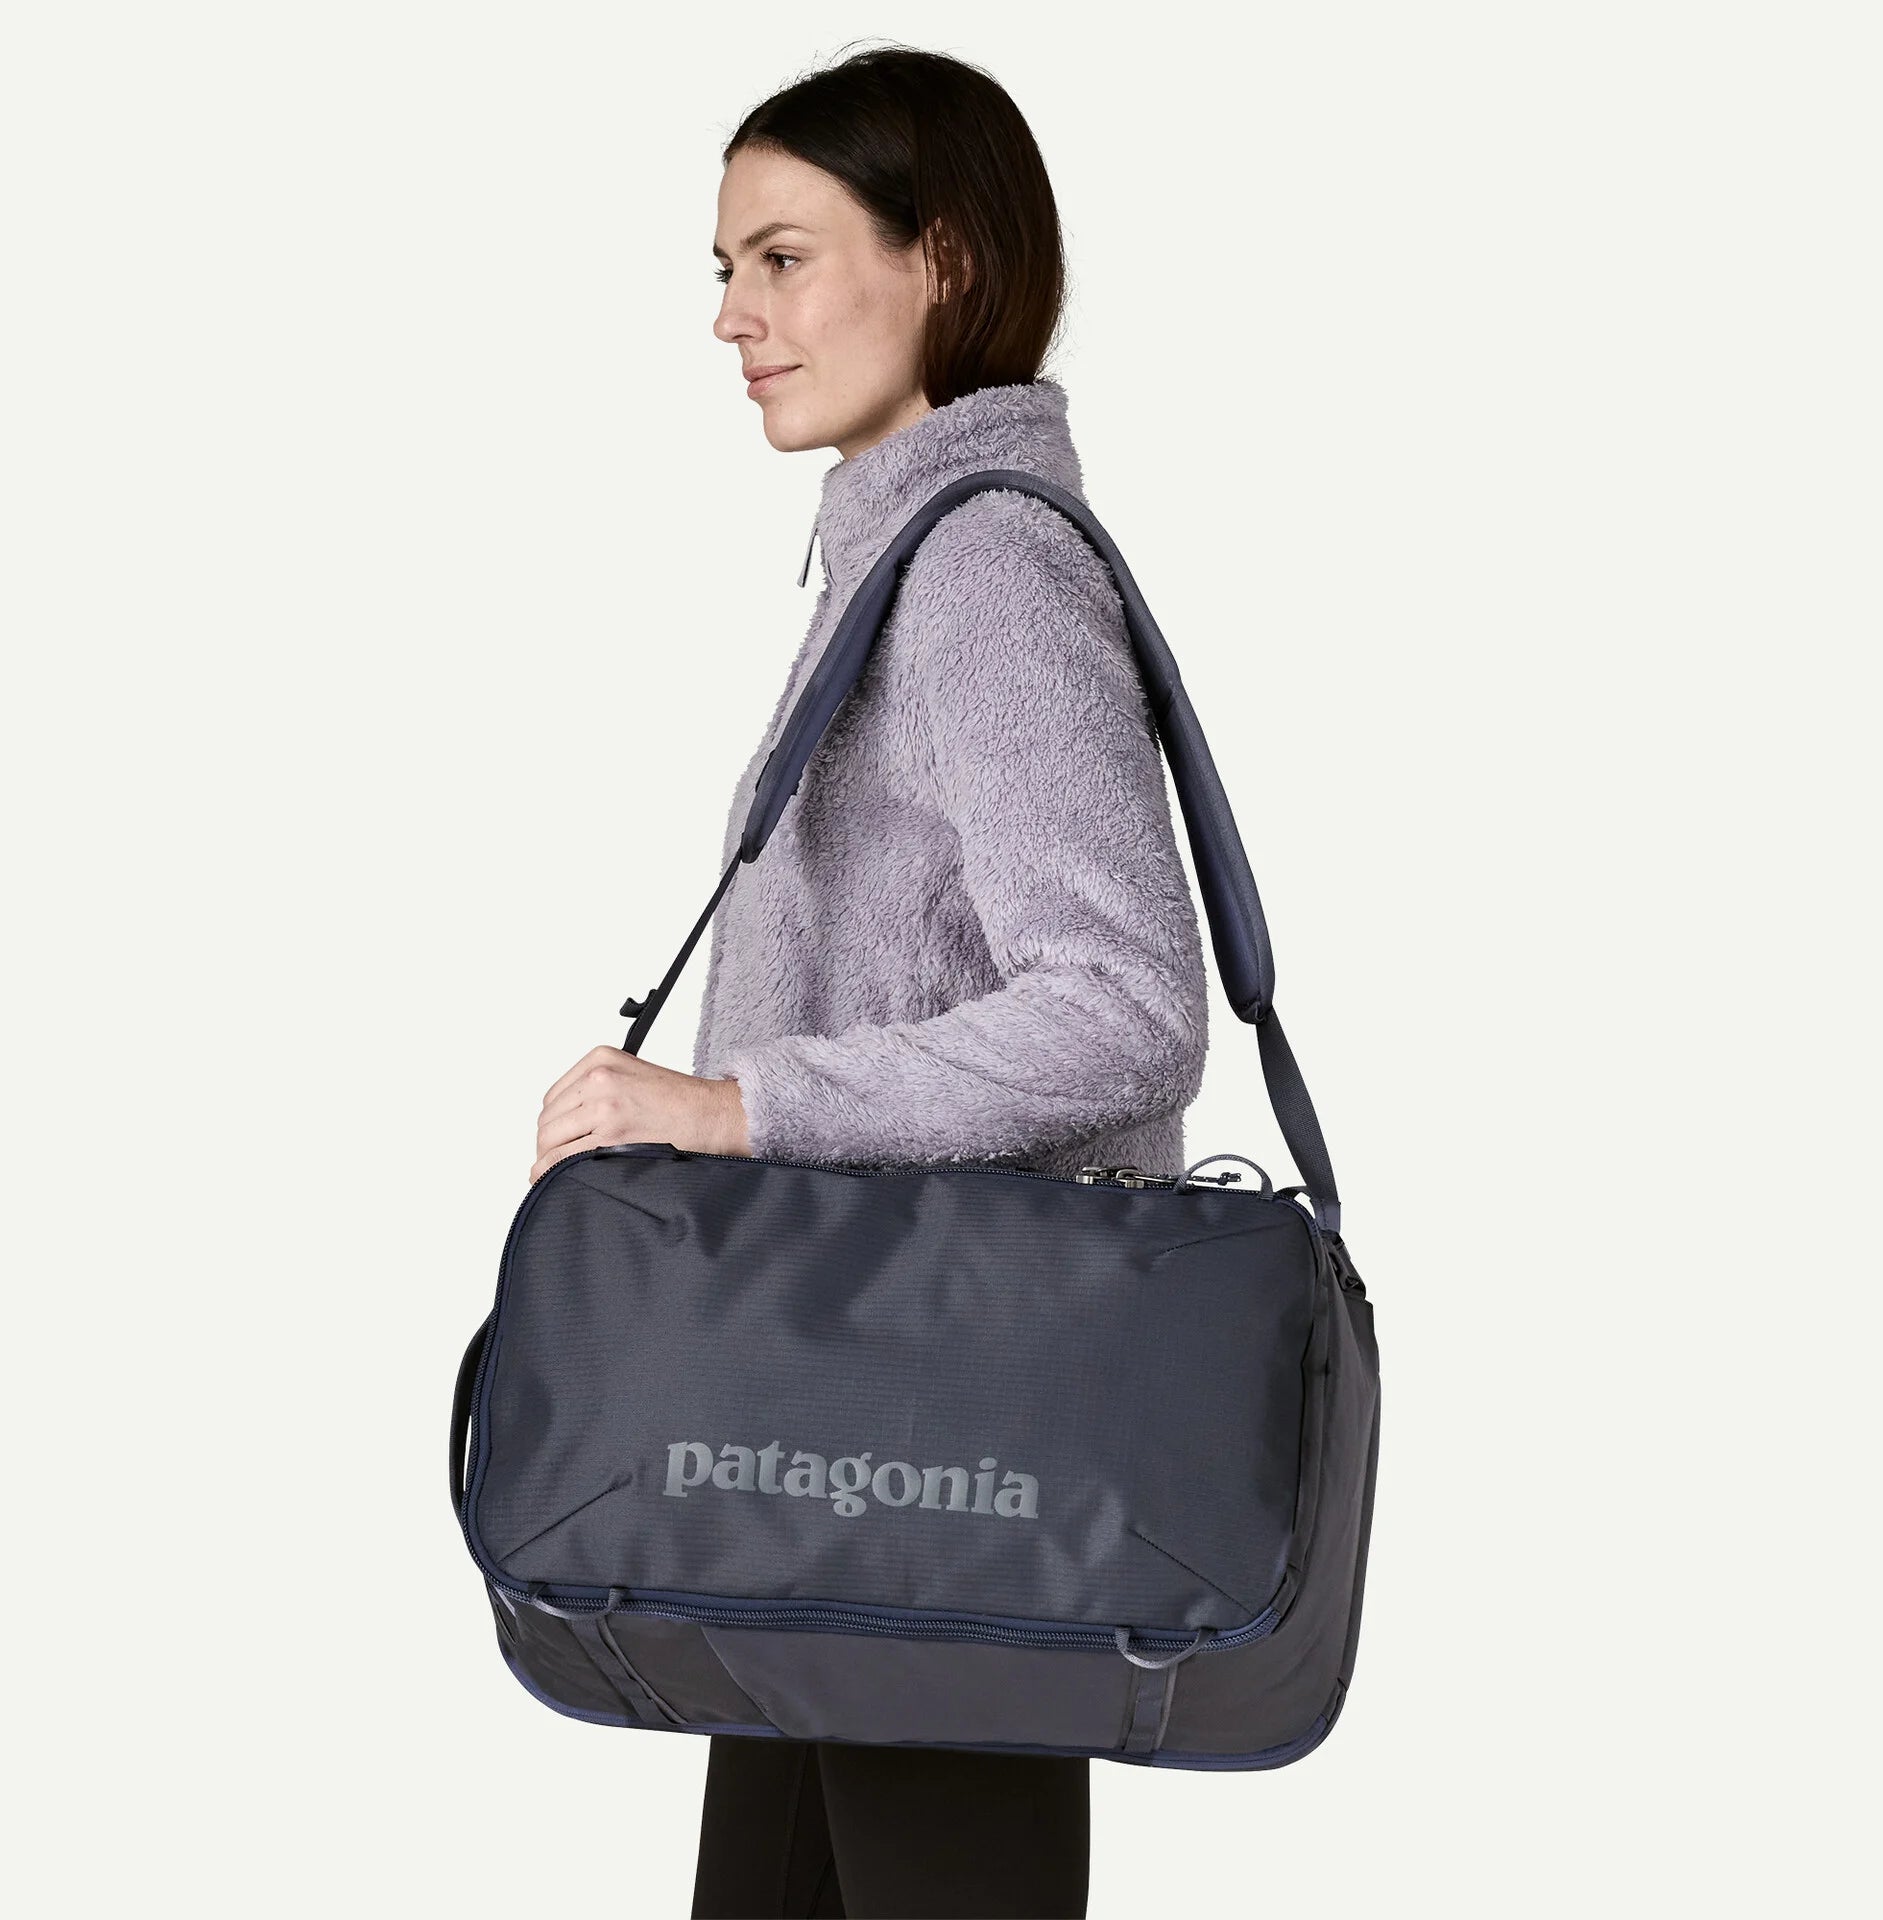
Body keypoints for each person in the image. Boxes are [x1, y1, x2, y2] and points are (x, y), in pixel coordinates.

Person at [530, 45, 1210, 1920]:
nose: (731, 318)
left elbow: (1127, 1003)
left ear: (946, 262)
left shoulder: (984, 570)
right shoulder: (897, 563)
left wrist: (737, 1107)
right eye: (724, 268)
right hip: (831, 1432)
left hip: (934, 1444)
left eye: (783, 259)